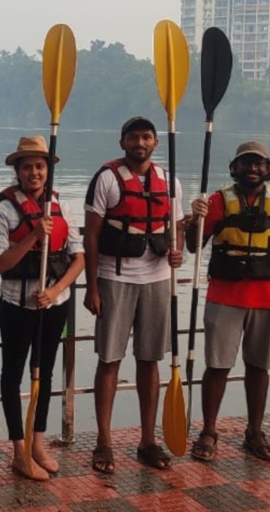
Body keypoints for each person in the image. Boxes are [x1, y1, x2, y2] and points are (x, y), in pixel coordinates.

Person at [185, 141, 270, 463]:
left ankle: (254, 431)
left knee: (259, 367)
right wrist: (195, 220)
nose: (252, 169)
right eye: (245, 163)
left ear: (268, 169)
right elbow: (193, 248)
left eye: (259, 164)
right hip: (225, 297)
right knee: (218, 365)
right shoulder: (216, 202)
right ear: (234, 168)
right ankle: (209, 431)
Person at [82, 117, 184, 474]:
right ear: (122, 141)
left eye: (146, 137)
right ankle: (104, 441)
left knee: (149, 359)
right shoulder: (107, 178)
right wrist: (92, 286)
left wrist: (178, 251)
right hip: (115, 277)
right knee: (109, 360)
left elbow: (177, 225)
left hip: (157, 278)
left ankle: (147, 440)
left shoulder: (169, 181)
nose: (140, 143)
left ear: (155, 142)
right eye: (133, 137)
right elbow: (91, 236)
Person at [0, 136, 86, 480]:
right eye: (27, 166)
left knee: (44, 373)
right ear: (18, 170)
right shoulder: (5, 209)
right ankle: (18, 450)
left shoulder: (60, 205)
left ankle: (38, 443)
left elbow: (78, 259)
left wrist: (56, 289)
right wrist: (33, 237)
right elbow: (0, 263)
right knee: (13, 375)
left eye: (40, 166)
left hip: (54, 304)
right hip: (17, 305)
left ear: (48, 171)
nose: (34, 172)